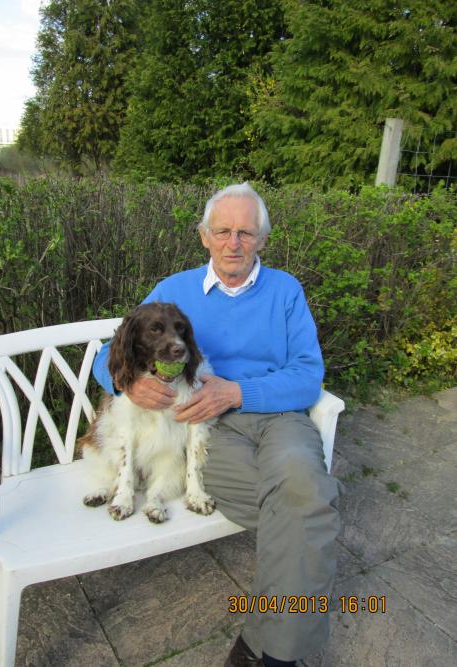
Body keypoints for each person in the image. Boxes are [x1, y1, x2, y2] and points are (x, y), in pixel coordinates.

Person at [93, 183, 341, 667]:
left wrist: (238, 391)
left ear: (262, 240)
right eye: (223, 231)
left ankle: (259, 647)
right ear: (204, 236)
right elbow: (112, 353)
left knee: (302, 489)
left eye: (245, 232)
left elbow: (308, 376)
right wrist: (129, 385)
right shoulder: (174, 290)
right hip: (202, 434)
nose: (234, 243)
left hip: (277, 418)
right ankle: (273, 656)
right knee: (306, 506)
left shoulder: (285, 291)